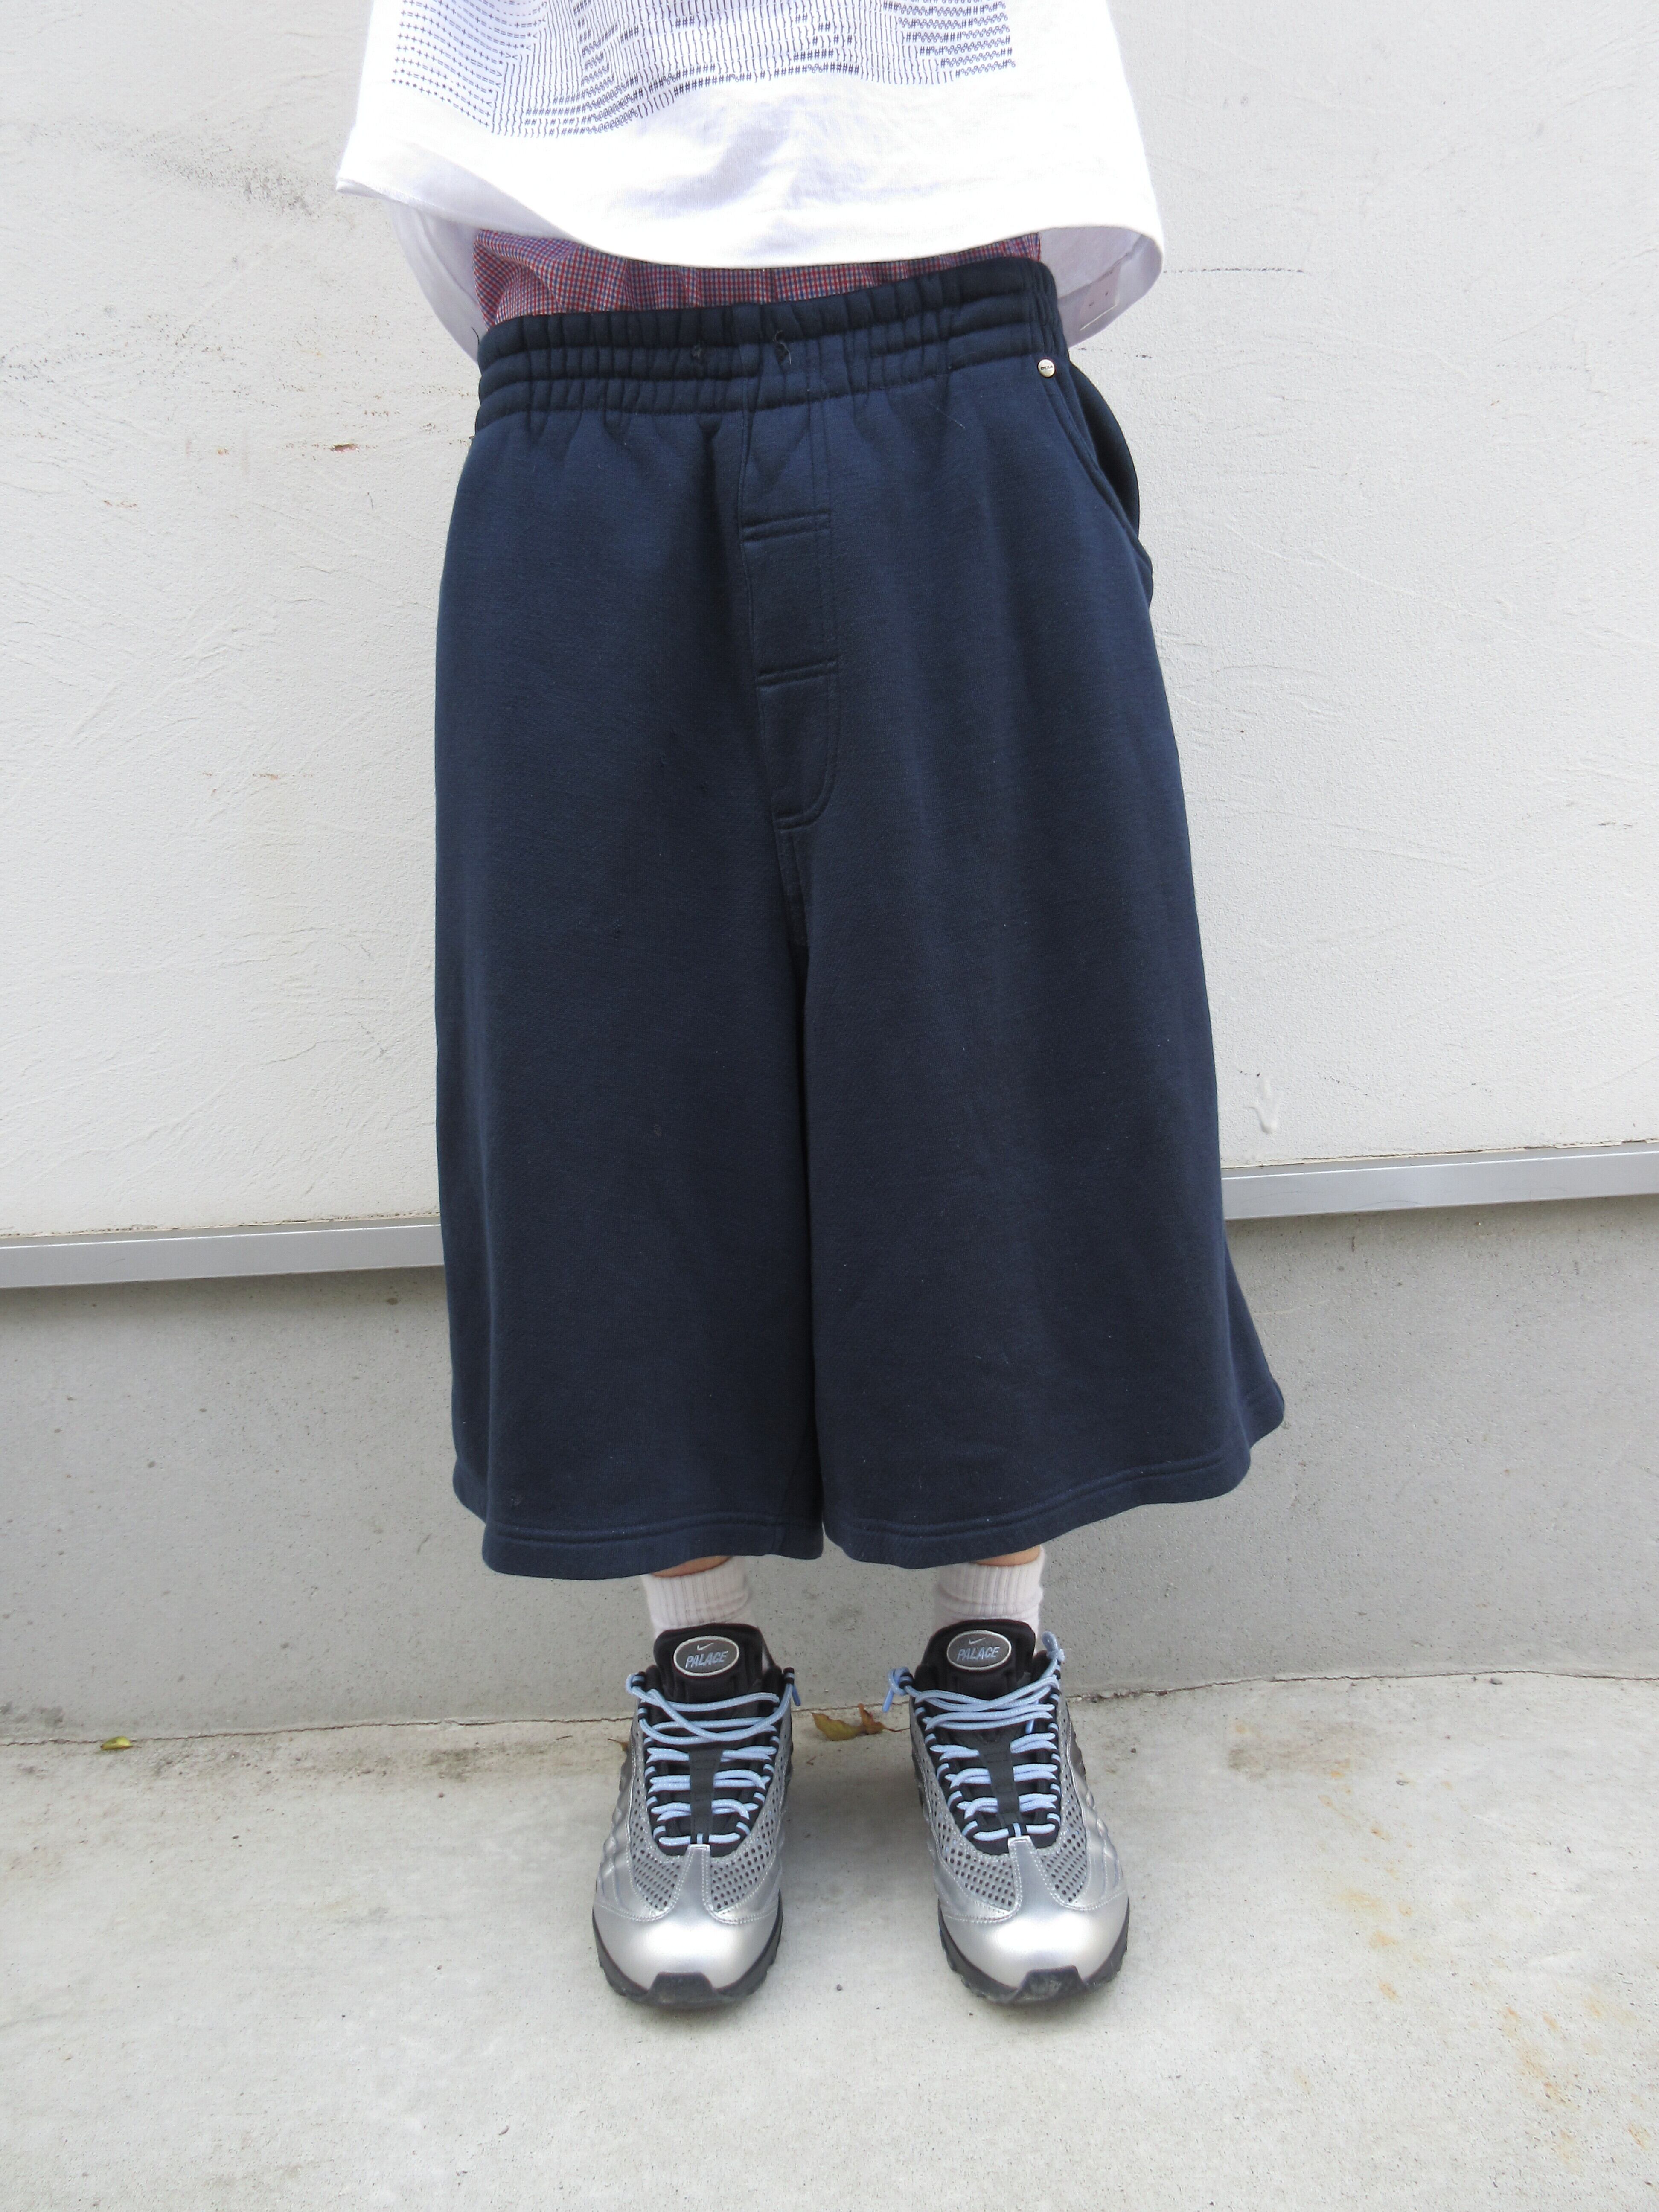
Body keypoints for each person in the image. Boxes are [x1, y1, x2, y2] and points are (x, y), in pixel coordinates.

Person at [338, 0, 1283, 2009]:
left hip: (953, 355)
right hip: (584, 382)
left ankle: (995, 1661)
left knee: (987, 1042)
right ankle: (702, 1674)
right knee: (599, 1060)